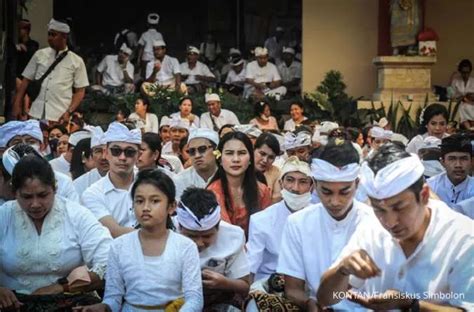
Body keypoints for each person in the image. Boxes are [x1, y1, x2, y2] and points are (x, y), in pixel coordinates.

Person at [317, 142, 473, 311]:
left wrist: (412, 305)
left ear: (424, 195)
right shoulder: (372, 227)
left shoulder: (464, 237)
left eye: (399, 208)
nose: (389, 222)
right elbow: (328, 298)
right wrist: (342, 270)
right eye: (379, 209)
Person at [75, 169, 203, 311]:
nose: (146, 208)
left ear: (171, 206)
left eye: (155, 201)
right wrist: (103, 307)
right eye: (139, 201)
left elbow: (194, 298)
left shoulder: (185, 246)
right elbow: (113, 297)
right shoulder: (119, 246)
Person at [0, 154, 111, 310]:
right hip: (13, 305)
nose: (35, 204)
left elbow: (109, 262)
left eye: (42, 195)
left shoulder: (76, 215)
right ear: (14, 193)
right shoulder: (4, 215)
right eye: (26, 197)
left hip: (68, 300)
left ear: (55, 188)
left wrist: (62, 288)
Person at [275, 139, 372, 311]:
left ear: (356, 184)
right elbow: (293, 289)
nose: (335, 202)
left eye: (344, 191)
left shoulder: (374, 222)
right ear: (315, 185)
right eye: (326, 191)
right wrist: (308, 303)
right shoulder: (298, 223)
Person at [177, 188, 250, 310]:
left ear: (218, 227)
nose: (199, 243)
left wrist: (224, 283)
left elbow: (245, 286)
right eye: (191, 236)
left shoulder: (233, 237)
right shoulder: (164, 234)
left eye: (207, 236)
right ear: (179, 227)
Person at [247, 156, 312, 286]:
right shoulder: (261, 220)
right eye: (290, 180)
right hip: (269, 284)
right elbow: (251, 266)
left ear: (312, 186)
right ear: (281, 183)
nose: (295, 188)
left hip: (309, 284)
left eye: (303, 182)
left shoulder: (320, 218)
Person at [13, 19, 89, 123]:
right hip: (36, 112)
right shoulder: (39, 55)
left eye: (54, 35)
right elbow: (25, 81)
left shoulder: (76, 61)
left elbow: (80, 92)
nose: (49, 38)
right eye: (49, 34)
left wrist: (69, 111)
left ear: (64, 37)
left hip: (59, 115)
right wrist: (17, 104)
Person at [81, 122, 141, 238]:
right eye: (116, 151)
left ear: (138, 155)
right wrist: (154, 236)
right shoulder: (92, 194)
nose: (122, 158)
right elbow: (114, 232)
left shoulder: (152, 184)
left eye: (129, 152)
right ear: (106, 153)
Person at [207, 131, 271, 235]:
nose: (236, 159)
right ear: (220, 160)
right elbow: (225, 233)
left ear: (250, 158)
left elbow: (266, 229)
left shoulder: (262, 191)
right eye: (229, 153)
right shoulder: (212, 193)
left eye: (241, 153)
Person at [427, 133, 473, 208]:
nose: (458, 165)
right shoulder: (431, 187)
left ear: (472, 161)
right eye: (452, 159)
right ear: (442, 162)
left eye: (464, 159)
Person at [174, 128, 219, 200]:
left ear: (215, 150)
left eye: (202, 149)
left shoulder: (228, 176)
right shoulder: (180, 180)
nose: (197, 155)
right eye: (192, 151)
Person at [14, 19, 39, 120]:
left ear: (26, 30)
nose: (18, 31)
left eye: (20, 29)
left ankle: (25, 111)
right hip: (17, 76)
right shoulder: (15, 45)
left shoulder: (33, 45)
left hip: (29, 79)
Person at [73, 126, 109, 195]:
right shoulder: (79, 184)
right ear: (91, 155)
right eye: (98, 151)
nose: (104, 157)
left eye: (107, 151)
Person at [253, 133, 282, 203]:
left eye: (271, 157)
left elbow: (276, 200)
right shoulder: (242, 167)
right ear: (253, 150)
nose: (265, 160)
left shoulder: (276, 172)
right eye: (262, 154)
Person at [136, 13, 164, 78]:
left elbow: (141, 48)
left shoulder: (144, 34)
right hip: (156, 58)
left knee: (145, 76)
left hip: (145, 58)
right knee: (155, 75)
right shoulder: (159, 35)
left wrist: (138, 60)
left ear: (147, 24)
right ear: (157, 25)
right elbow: (161, 48)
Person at [450, 59, 474, 129]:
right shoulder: (456, 81)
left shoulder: (473, 81)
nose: (465, 74)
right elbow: (451, 95)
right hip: (460, 104)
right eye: (463, 72)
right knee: (461, 108)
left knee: (468, 107)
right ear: (460, 71)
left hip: (471, 104)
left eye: (467, 72)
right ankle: (468, 128)